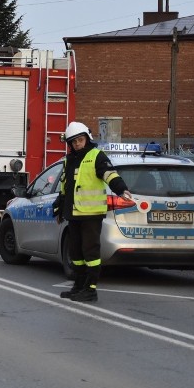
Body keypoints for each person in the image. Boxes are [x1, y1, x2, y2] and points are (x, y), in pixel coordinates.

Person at [52, 122, 132, 302]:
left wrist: (121, 189)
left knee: (91, 251)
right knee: (76, 253)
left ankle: (91, 289)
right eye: (73, 142)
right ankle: (79, 285)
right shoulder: (69, 160)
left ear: (87, 139)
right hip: (73, 214)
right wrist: (59, 207)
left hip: (91, 214)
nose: (77, 144)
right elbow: (66, 186)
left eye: (80, 140)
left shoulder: (96, 156)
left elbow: (109, 174)